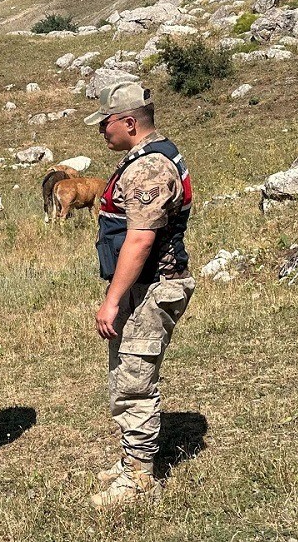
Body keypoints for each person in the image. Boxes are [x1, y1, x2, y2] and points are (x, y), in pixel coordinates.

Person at [84, 81, 195, 507]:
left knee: (134, 378)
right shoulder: (142, 159)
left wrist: (111, 300)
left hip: (153, 288)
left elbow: (140, 240)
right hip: (141, 286)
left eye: (106, 123)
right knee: (125, 371)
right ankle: (132, 457)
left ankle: (139, 479)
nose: (102, 131)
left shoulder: (150, 167)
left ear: (129, 122)